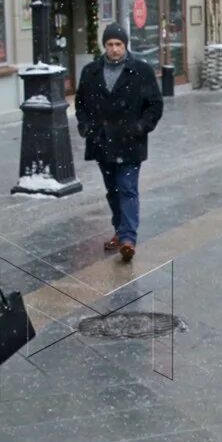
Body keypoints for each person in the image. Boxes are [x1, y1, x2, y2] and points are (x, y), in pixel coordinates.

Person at [76, 23, 164, 263]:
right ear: (104, 46)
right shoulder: (90, 72)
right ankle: (119, 229)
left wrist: (140, 127)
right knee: (112, 191)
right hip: (102, 142)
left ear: (125, 46)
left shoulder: (141, 71)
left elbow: (155, 105)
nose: (114, 49)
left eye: (119, 44)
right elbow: (81, 104)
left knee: (126, 188)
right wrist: (86, 127)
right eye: (110, 44)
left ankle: (128, 239)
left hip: (129, 142)